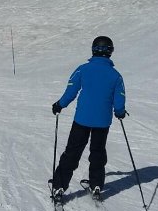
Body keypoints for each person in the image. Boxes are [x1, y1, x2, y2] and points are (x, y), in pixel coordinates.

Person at [50, 35, 126, 202]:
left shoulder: (82, 69)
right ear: (110, 52)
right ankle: (96, 184)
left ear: (93, 50)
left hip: (82, 119)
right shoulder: (115, 75)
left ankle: (59, 186)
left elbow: (71, 91)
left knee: (72, 152)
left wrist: (59, 105)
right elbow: (119, 98)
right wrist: (119, 112)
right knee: (98, 152)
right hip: (102, 122)